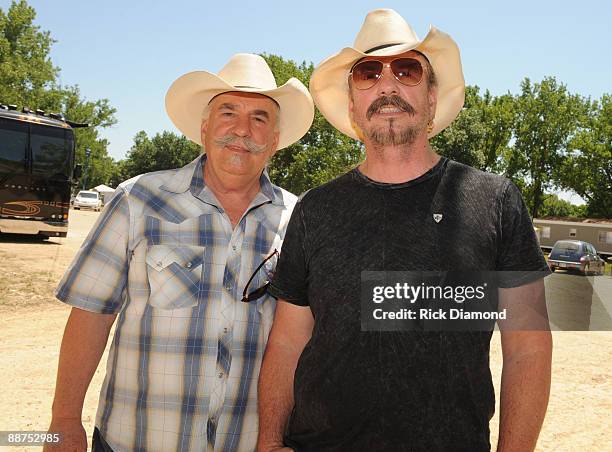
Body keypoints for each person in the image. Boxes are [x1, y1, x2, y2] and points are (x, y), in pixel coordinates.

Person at [257, 9, 552, 452]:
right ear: (353, 103)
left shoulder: (495, 200)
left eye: (408, 70)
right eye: (369, 73)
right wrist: (268, 440)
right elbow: (286, 340)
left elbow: (527, 347)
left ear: (432, 97)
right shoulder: (314, 209)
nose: (388, 85)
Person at [44, 53, 314, 452]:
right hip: (134, 441)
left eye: (259, 118)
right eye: (228, 113)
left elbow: (297, 341)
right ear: (204, 128)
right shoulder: (138, 199)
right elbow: (90, 314)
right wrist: (64, 420)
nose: (242, 130)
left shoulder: (298, 220)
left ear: (274, 139)